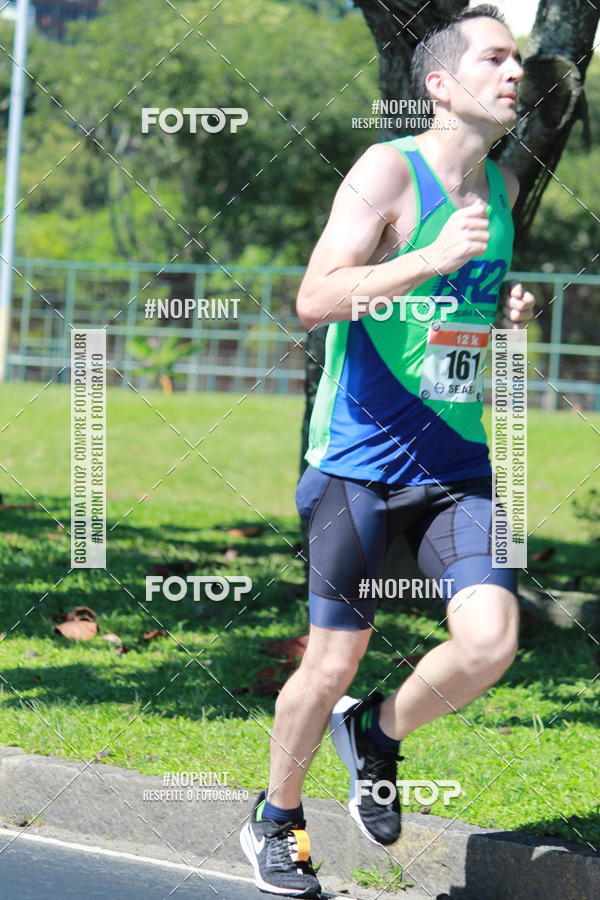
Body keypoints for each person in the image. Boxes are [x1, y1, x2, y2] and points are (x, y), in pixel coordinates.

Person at [240, 6, 535, 897]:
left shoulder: (503, 187)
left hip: (455, 464)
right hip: (358, 464)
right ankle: (276, 818)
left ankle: (375, 732)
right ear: (440, 85)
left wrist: (503, 310)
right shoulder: (387, 170)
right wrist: (429, 256)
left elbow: (453, 314)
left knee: (490, 643)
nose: (515, 73)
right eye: (495, 58)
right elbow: (315, 298)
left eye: (518, 60)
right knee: (331, 662)